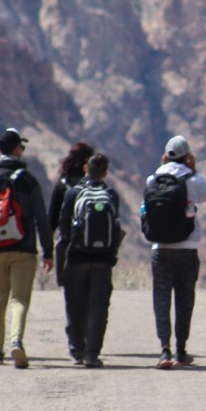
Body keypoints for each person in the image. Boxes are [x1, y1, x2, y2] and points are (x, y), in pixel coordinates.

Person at [0, 128, 52, 369]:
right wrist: (48, 251)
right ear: (17, 148)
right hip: (24, 248)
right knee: (19, 298)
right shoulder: (27, 179)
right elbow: (41, 217)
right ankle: (16, 341)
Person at [144, 135, 206, 369]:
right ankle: (181, 350)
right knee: (185, 300)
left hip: (160, 248)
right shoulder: (192, 180)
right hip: (187, 248)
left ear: (165, 156)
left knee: (161, 298)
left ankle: (164, 350)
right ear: (187, 156)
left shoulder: (151, 179)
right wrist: (192, 168)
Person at [55, 153, 123, 367]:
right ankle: (92, 354)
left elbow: (64, 228)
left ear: (86, 168)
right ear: (105, 172)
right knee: (99, 307)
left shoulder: (74, 192)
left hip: (77, 258)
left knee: (75, 304)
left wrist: (62, 258)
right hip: (102, 260)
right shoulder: (110, 195)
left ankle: (77, 349)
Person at [50, 142, 94, 354]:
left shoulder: (63, 185)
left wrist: (47, 253)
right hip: (94, 248)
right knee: (90, 295)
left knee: (72, 296)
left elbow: (51, 220)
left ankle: (74, 340)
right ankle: (86, 336)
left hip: (67, 246)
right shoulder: (94, 184)